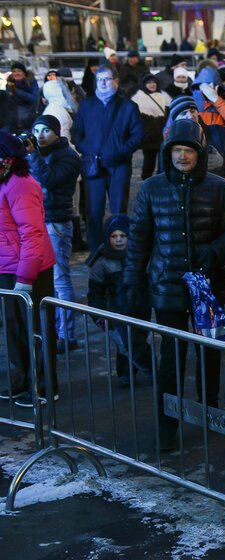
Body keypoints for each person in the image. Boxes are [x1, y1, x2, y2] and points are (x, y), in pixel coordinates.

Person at [123, 119, 225, 451]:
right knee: (171, 358)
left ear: (199, 153)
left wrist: (215, 251)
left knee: (210, 353)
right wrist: (132, 281)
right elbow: (139, 240)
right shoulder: (151, 188)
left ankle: (210, 411)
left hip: (208, 286)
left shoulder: (220, 188)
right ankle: (167, 423)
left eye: (188, 150)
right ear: (168, 153)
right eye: (176, 150)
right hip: (167, 285)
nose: (182, 157)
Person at [0, 133, 57, 407]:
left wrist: (25, 277)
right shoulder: (4, 181)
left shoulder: (20, 184)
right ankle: (21, 382)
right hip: (8, 267)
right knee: (15, 330)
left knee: (36, 330)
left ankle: (44, 387)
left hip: (29, 269)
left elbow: (32, 233)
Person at [71, 64, 143, 254]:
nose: (102, 83)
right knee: (93, 212)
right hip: (93, 165)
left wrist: (122, 151)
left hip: (119, 165)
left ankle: (120, 251)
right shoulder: (87, 105)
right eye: (99, 79)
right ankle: (96, 251)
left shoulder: (128, 106)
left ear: (116, 81)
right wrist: (86, 149)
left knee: (119, 210)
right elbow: (76, 132)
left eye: (106, 79)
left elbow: (137, 135)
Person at [26, 114, 81, 353]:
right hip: (37, 221)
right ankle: (50, 330)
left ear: (57, 132)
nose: (40, 135)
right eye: (36, 130)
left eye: (45, 130)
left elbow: (50, 180)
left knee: (61, 279)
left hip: (56, 223)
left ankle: (67, 334)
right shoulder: (41, 154)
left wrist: (32, 156)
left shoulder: (68, 155)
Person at [86, 214, 152, 386]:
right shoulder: (101, 262)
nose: (119, 240)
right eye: (114, 236)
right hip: (116, 311)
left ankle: (128, 373)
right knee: (128, 343)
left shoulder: (140, 256)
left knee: (136, 341)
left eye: (123, 236)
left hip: (141, 307)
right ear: (108, 238)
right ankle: (150, 371)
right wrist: (98, 315)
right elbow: (95, 293)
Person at [131, 74, 169, 181]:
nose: (152, 85)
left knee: (162, 162)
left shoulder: (162, 96)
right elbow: (138, 120)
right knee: (149, 162)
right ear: (144, 85)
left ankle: (159, 183)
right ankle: (146, 183)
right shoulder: (138, 98)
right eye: (149, 83)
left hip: (162, 135)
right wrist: (147, 132)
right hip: (149, 137)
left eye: (154, 82)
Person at [6, 62, 40, 133]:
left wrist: (16, 90)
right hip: (15, 119)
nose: (16, 73)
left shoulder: (31, 82)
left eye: (19, 71)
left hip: (29, 117)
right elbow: (9, 103)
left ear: (24, 73)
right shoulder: (9, 85)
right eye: (14, 71)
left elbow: (34, 99)